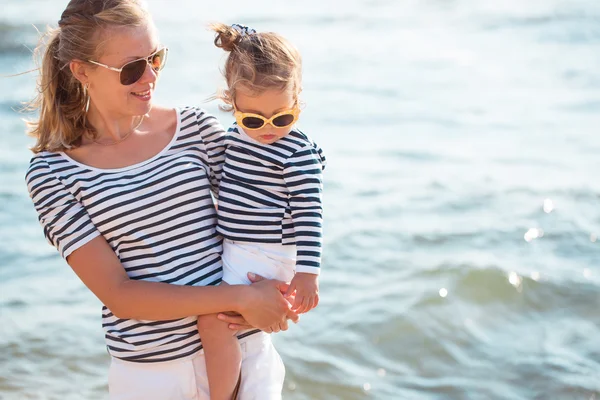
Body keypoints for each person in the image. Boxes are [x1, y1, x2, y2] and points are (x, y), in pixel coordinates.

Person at [23, 1, 298, 399]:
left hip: (244, 355)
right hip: (153, 377)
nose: (150, 76)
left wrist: (283, 288)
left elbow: (263, 208)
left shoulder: (195, 128)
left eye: (156, 58)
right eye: (132, 67)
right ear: (81, 71)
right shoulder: (53, 174)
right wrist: (240, 297)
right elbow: (120, 296)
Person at [196, 23, 326, 400]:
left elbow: (310, 213)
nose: (267, 129)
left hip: (269, 251)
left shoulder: (296, 153)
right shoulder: (237, 137)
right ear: (231, 103)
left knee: (214, 321)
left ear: (297, 99)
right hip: (239, 247)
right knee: (239, 330)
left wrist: (308, 273)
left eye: (281, 118)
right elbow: (229, 181)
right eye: (253, 118)